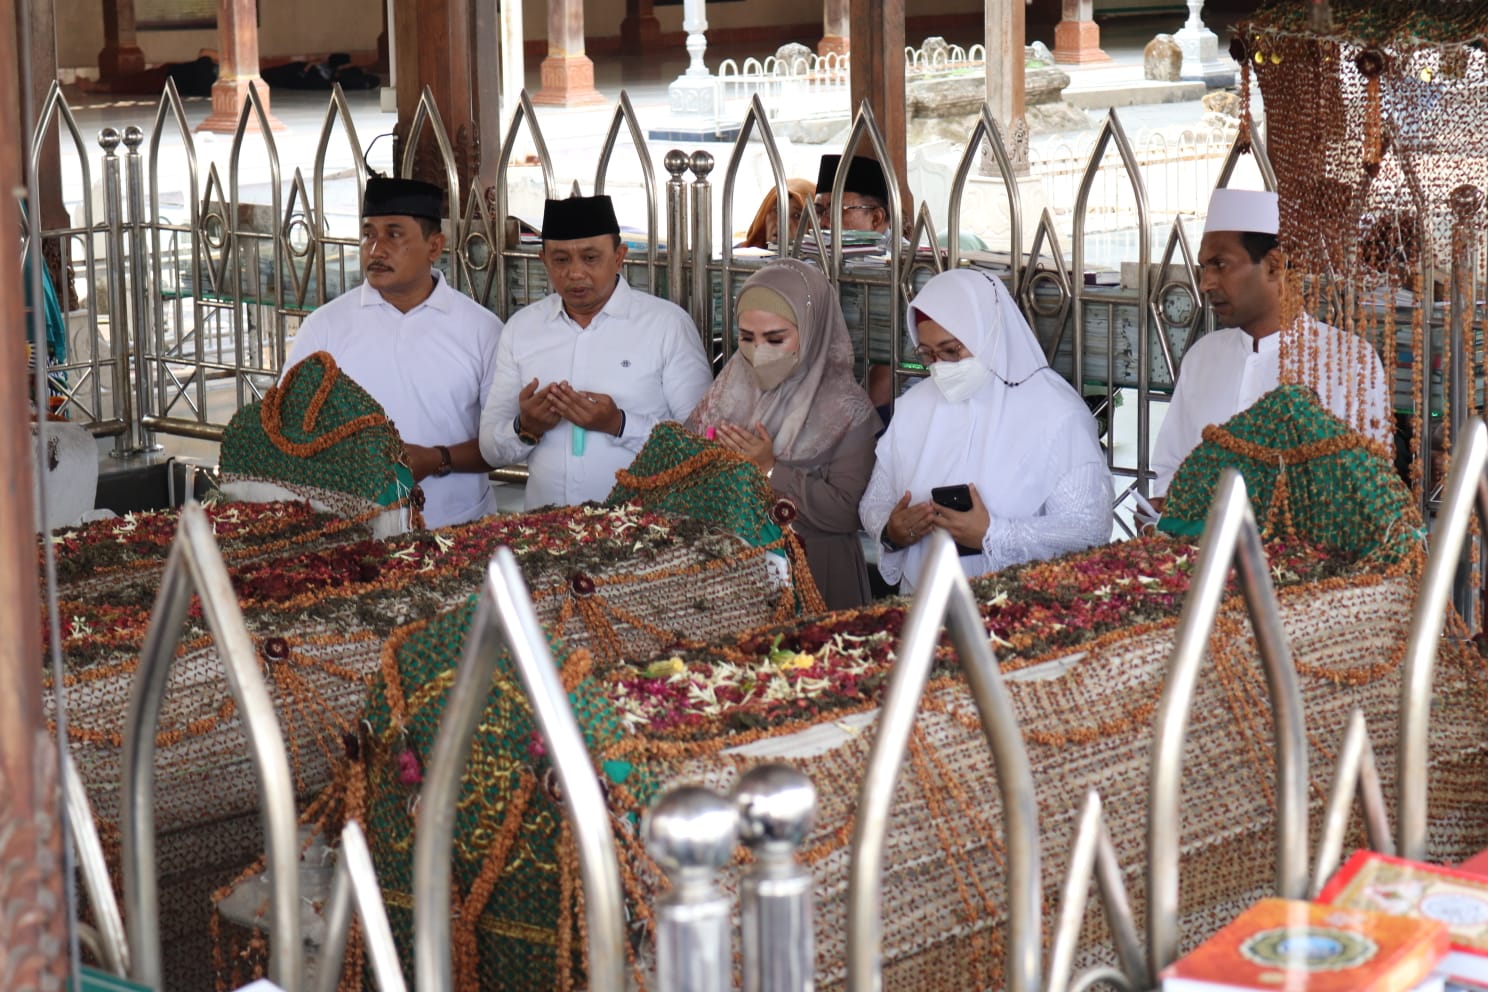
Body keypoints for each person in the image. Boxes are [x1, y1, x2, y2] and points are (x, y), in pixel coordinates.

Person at [859, 268, 1111, 593]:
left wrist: (993, 535)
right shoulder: (915, 407)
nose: (941, 366)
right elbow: (874, 501)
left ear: (989, 333)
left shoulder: (1056, 413)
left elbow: (1088, 529)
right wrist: (892, 530)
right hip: (923, 606)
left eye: (952, 351)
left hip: (1023, 612)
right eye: (928, 355)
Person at [281, 176, 500, 529]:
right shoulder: (325, 327)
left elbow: (501, 443)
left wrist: (437, 459)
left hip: (460, 529)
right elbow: (287, 429)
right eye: (368, 234)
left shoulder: (482, 330)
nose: (376, 249)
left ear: (434, 246)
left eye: (394, 234)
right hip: (351, 533)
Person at [1149, 189, 1393, 506]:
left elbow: (1367, 491)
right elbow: (1171, 469)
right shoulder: (1203, 356)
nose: (1206, 283)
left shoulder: (1349, 361)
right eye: (1204, 267)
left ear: (1274, 266)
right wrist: (1166, 512)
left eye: (1220, 264)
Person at [479, 195, 713, 509]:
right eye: (561, 260)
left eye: (590, 258)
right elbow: (490, 450)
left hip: (644, 532)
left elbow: (703, 446)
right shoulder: (521, 329)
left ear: (619, 257)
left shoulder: (666, 326)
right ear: (544, 261)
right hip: (548, 532)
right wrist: (526, 428)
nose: (575, 273)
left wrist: (618, 424)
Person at [687, 259, 881, 609]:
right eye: (746, 337)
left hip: (813, 574)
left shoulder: (847, 410)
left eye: (776, 338)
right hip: (730, 574)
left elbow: (848, 512)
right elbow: (681, 465)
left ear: (812, 331)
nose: (758, 351)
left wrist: (770, 469)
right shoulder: (728, 388)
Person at [814, 154, 891, 235]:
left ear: (875, 219)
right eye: (818, 211)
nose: (822, 222)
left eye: (835, 213)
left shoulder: (898, 247)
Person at [740, 179, 815, 249]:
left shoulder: (819, 262)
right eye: (777, 211)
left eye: (797, 216)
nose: (781, 224)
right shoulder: (739, 256)